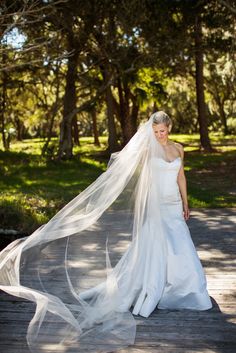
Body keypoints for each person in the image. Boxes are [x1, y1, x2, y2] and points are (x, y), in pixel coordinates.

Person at [0, 111, 212, 353]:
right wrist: (147, 206)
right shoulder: (147, 150)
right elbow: (143, 181)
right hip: (156, 205)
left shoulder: (179, 149)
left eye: (162, 131)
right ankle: (155, 286)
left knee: (180, 242)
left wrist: (185, 202)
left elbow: (181, 177)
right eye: (155, 132)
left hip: (173, 203)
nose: (159, 136)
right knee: (156, 245)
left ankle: (187, 288)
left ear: (170, 128)